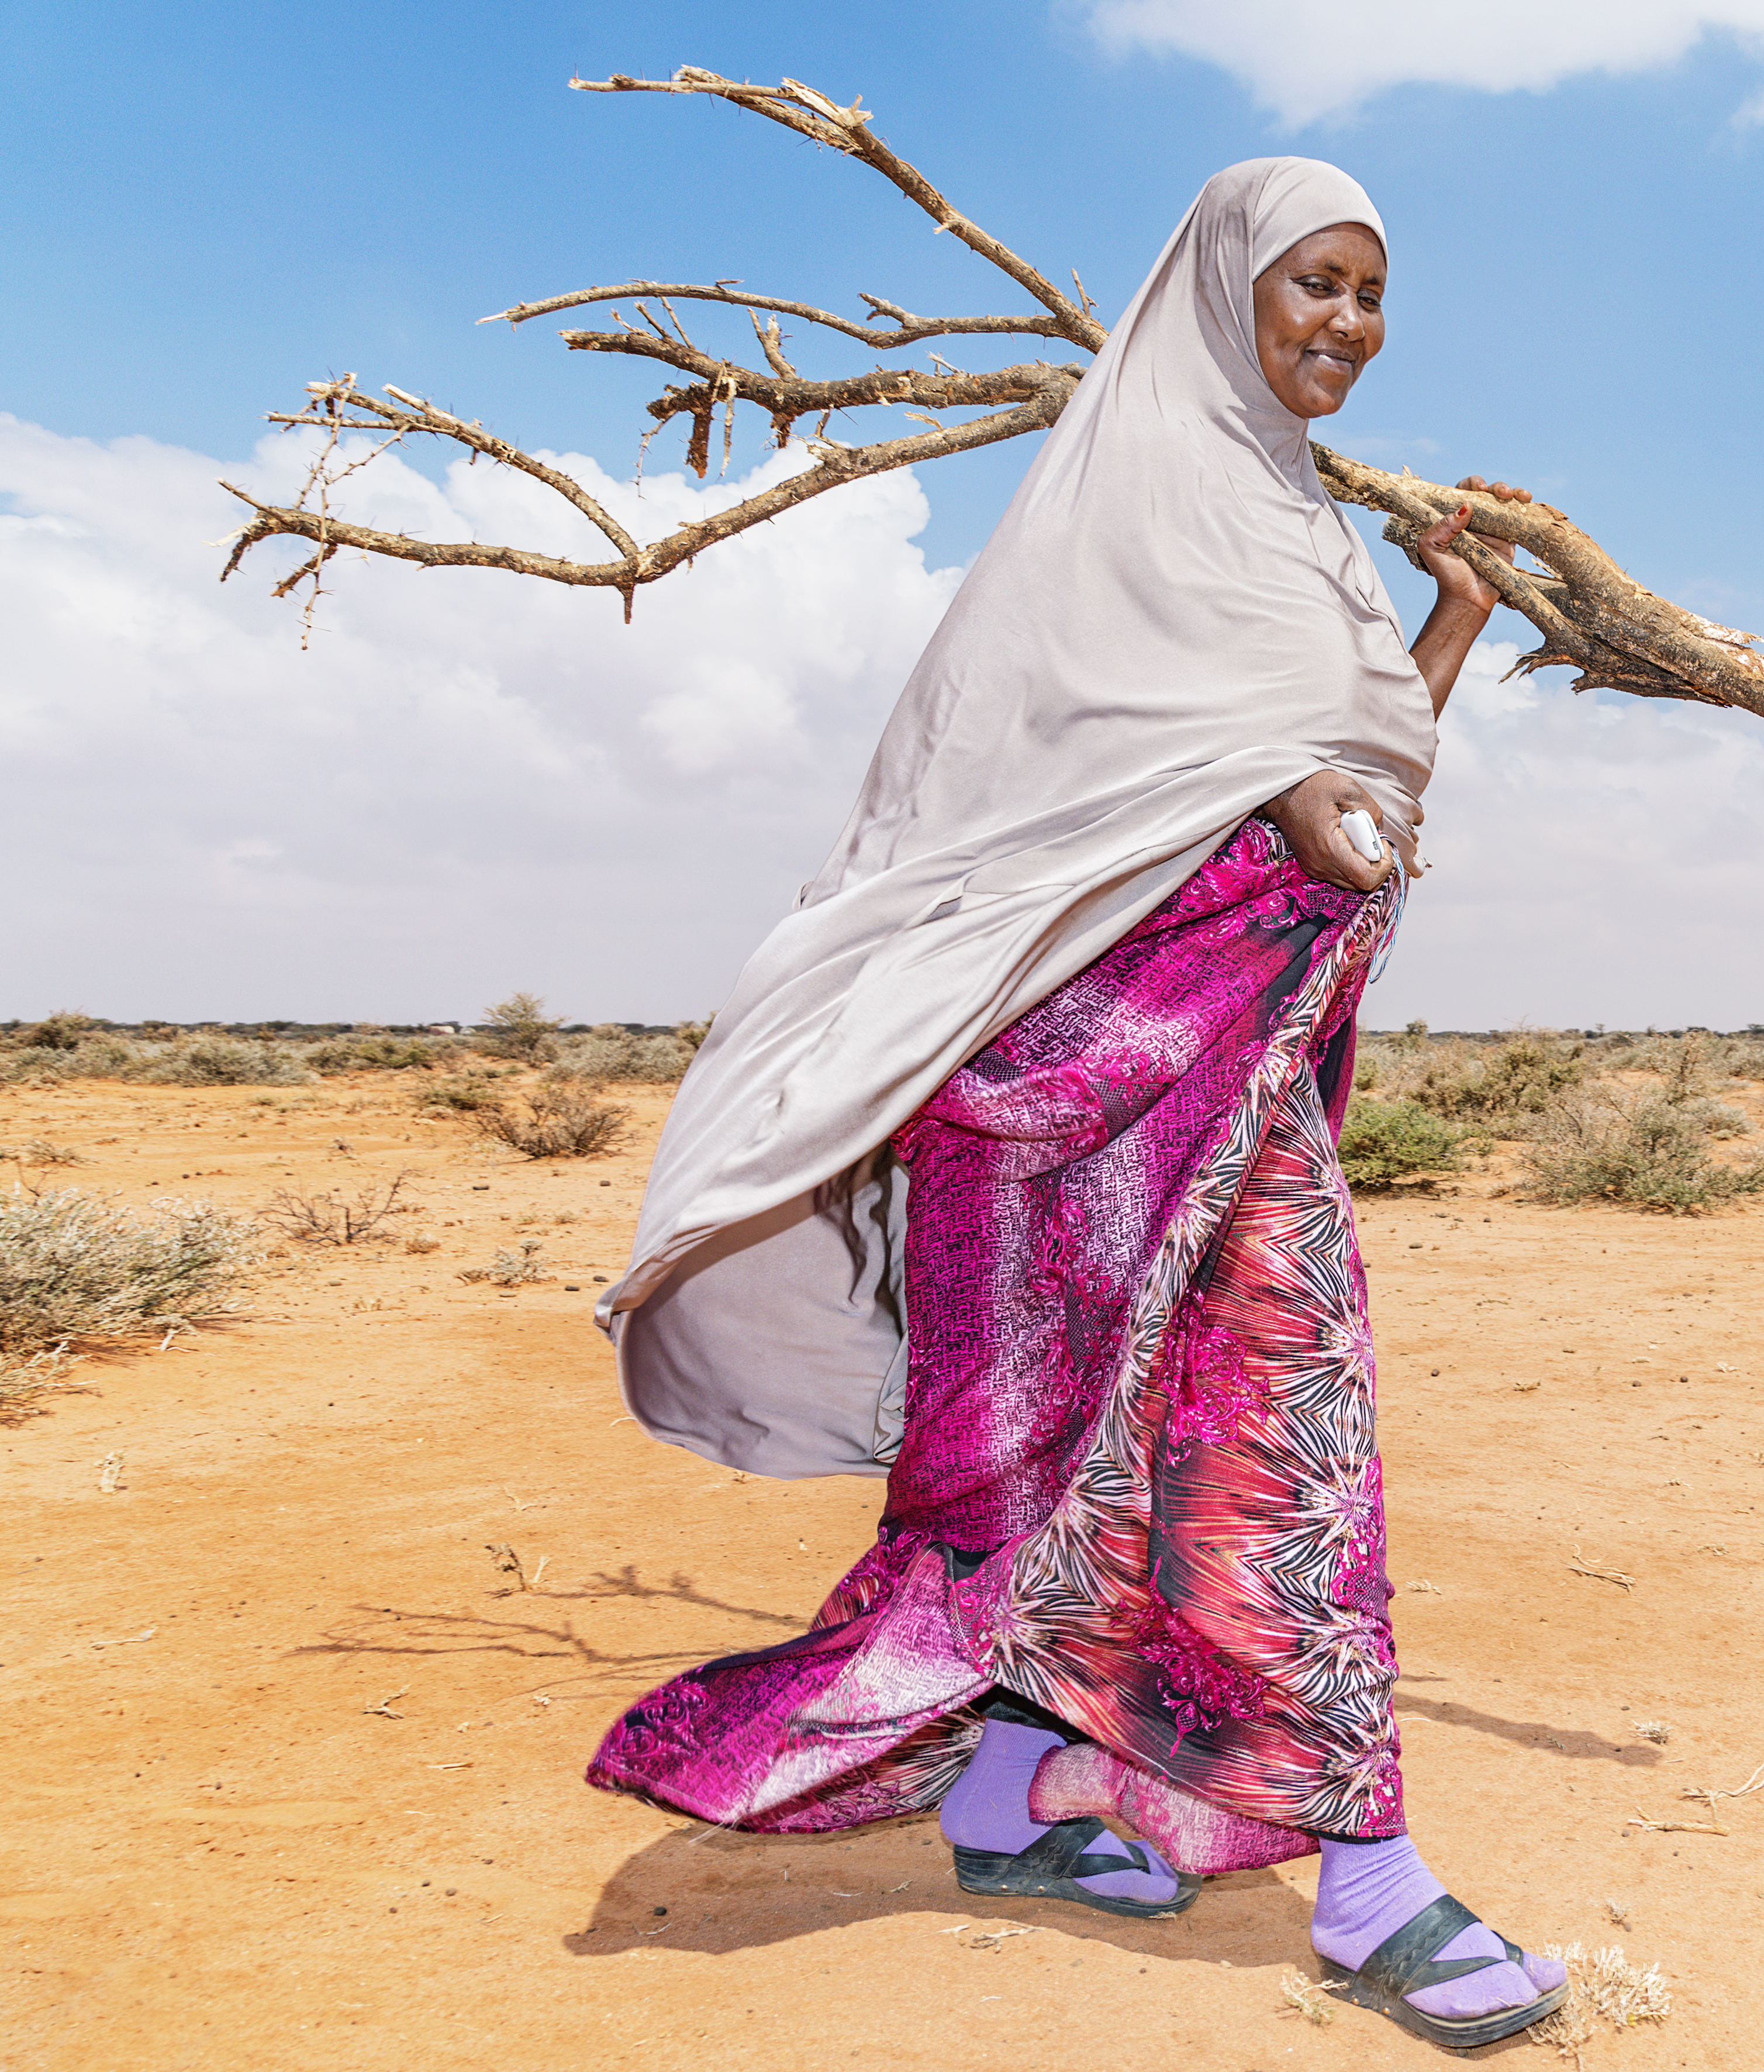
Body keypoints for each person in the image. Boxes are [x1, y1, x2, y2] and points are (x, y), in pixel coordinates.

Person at [581, 158, 1567, 2050]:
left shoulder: (1296, 529)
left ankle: (995, 1792)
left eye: (1372, 295)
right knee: (1269, 1443)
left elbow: (1361, 796)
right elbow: (1044, 799)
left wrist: (1443, 624)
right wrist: (1272, 797)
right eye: (1314, 287)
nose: (1346, 327)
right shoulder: (1127, 515)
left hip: (1211, 1079)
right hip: (1060, 1097)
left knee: (1138, 1457)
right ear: (1221, 290)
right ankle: (1368, 1885)